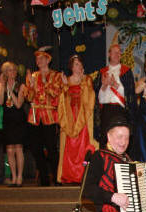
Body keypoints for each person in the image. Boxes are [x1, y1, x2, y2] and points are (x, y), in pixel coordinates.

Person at [25, 47, 62, 186]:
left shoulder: (56, 76)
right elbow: (29, 98)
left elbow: (56, 94)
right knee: (36, 148)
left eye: (41, 58)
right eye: (37, 58)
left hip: (49, 116)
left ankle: (57, 178)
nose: (39, 61)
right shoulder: (33, 76)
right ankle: (44, 179)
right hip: (34, 116)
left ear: (48, 60)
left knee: (52, 149)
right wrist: (31, 86)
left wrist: (45, 83)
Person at [57, 55, 96, 184]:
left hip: (82, 117)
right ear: (71, 67)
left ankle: (82, 175)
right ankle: (69, 175)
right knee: (69, 146)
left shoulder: (87, 79)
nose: (78, 66)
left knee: (82, 145)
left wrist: (83, 82)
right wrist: (64, 87)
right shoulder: (67, 80)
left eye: (79, 64)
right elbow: (62, 100)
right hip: (70, 117)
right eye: (75, 64)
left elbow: (90, 97)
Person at [94, 44, 137, 145]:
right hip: (106, 111)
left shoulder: (126, 72)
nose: (117, 54)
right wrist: (104, 86)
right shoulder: (102, 72)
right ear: (109, 54)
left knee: (120, 141)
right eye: (114, 52)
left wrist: (115, 85)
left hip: (120, 111)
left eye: (119, 52)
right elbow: (98, 98)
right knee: (105, 141)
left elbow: (130, 94)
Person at [0, 61, 26, 187]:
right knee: (9, 150)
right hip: (7, 120)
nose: (12, 72)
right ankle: (13, 176)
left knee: (18, 148)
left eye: (14, 70)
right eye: (9, 70)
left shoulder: (21, 86)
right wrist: (3, 86)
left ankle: (20, 176)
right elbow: (0, 101)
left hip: (18, 119)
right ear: (5, 73)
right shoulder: (0, 85)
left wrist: (11, 91)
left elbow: (18, 104)